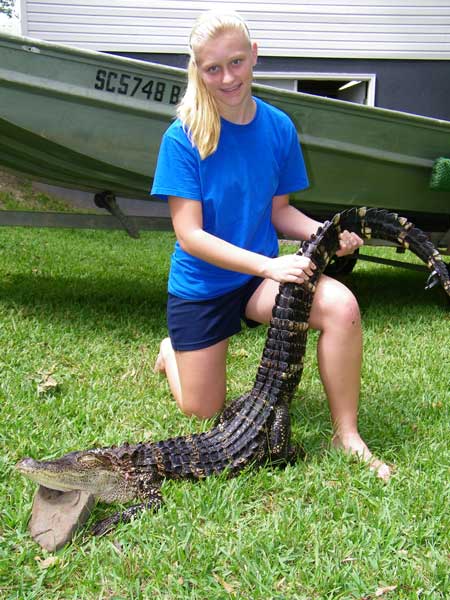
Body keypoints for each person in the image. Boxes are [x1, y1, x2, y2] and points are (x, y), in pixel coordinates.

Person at [151, 9, 390, 481]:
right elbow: (190, 236)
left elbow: (280, 212)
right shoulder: (183, 137)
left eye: (236, 62)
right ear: (196, 69)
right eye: (212, 68)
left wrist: (325, 234)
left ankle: (347, 433)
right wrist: (269, 266)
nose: (227, 78)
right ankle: (170, 351)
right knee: (202, 410)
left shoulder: (279, 128)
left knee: (341, 306)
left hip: (260, 277)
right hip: (204, 285)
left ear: (254, 55)